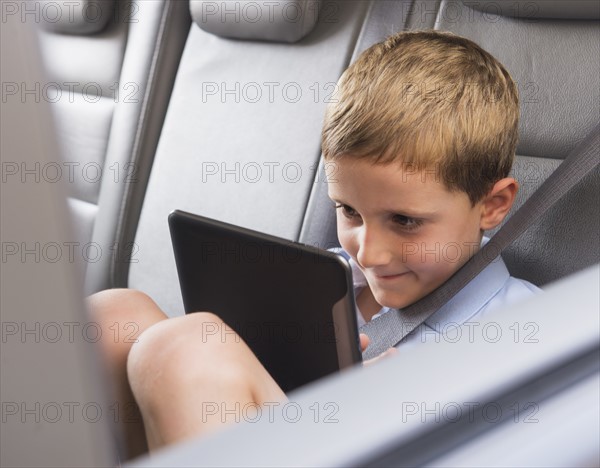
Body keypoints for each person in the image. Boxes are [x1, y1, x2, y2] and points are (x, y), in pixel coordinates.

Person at [88, 30, 539, 458]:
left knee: (184, 350)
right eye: (349, 212)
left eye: (404, 221)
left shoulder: (531, 332)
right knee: (112, 317)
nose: (368, 252)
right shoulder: (319, 279)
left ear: (493, 205)